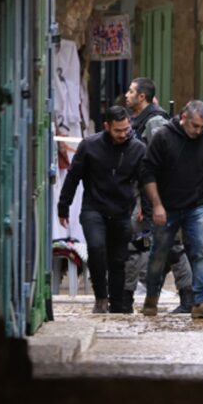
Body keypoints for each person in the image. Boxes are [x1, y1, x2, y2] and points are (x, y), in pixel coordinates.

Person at [57, 106, 146, 314]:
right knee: (96, 248)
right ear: (107, 126)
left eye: (126, 129)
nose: (123, 134)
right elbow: (73, 176)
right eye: (118, 130)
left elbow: (146, 180)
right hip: (93, 208)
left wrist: (146, 209)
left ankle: (116, 304)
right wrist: (64, 206)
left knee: (118, 258)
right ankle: (101, 297)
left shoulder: (137, 149)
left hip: (122, 210)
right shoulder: (89, 146)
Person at [141, 100, 203, 319]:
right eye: (195, 125)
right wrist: (157, 205)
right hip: (167, 206)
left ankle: (200, 302)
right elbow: (147, 173)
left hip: (196, 205)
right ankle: (151, 299)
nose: (198, 131)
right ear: (183, 118)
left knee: (202, 251)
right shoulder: (163, 137)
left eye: (202, 126)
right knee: (159, 254)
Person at [123, 77, 194, 314]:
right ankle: (127, 297)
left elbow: (160, 163)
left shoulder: (154, 122)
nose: (127, 94)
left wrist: (156, 201)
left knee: (172, 247)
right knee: (140, 246)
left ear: (142, 96)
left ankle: (187, 297)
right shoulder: (139, 120)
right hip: (144, 195)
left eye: (131, 91)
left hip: (156, 197)